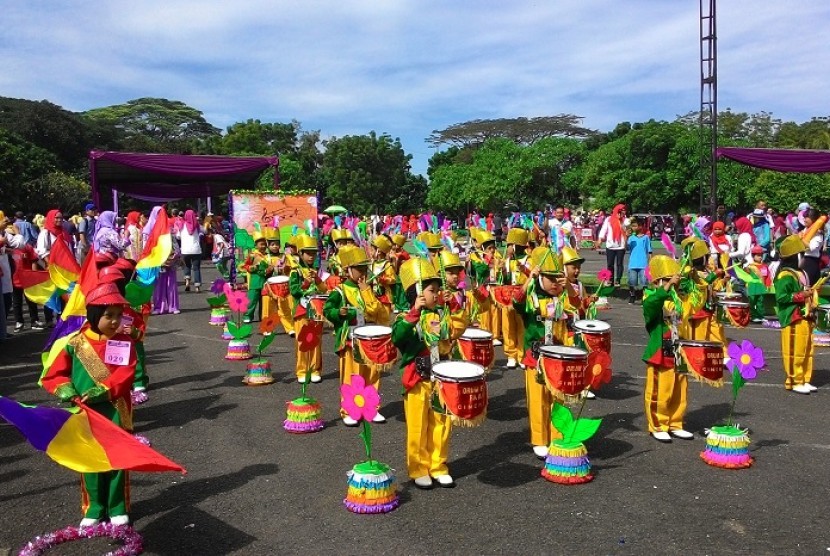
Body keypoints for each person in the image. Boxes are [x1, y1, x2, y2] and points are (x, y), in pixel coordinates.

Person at [40, 282, 137, 526]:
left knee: (118, 459)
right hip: (85, 412)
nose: (115, 321)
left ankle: (117, 506)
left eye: (118, 315)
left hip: (116, 410)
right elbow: (54, 375)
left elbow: (125, 374)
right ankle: (94, 506)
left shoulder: (125, 342)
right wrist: (67, 390)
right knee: (90, 459)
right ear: (94, 316)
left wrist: (100, 391)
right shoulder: (75, 343)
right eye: (108, 315)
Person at [391, 257, 455, 489]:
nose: (436, 294)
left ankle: (438, 465)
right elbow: (398, 337)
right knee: (418, 425)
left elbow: (457, 329)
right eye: (431, 290)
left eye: (438, 290)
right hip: (417, 380)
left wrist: (453, 306)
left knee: (441, 423)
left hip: (440, 378)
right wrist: (414, 314)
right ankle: (418, 467)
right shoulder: (404, 318)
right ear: (416, 294)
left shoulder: (441, 313)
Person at [512, 246, 569, 458]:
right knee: (538, 400)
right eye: (550, 278)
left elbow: (579, 305)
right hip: (535, 357)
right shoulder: (531, 298)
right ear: (540, 277)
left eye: (558, 278)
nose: (555, 283)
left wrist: (569, 286)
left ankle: (558, 436)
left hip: (558, 356)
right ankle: (539, 439)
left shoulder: (562, 297)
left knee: (558, 399)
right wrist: (529, 279)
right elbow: (516, 301)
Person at [323, 245, 390, 426]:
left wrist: (366, 290)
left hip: (370, 339)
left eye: (364, 268)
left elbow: (376, 311)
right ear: (347, 270)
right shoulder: (340, 291)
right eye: (358, 269)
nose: (362, 272)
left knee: (373, 373)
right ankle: (350, 410)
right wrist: (339, 313)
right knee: (352, 376)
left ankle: (372, 408)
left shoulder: (369, 289)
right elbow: (327, 310)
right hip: (350, 339)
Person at [641, 255, 692, 442]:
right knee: (659, 390)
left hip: (679, 349)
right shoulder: (650, 295)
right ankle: (658, 424)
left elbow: (696, 295)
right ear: (657, 282)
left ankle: (675, 422)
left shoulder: (679, 298)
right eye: (667, 279)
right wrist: (667, 287)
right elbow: (650, 307)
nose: (674, 284)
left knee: (680, 388)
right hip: (661, 350)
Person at [774, 236, 816, 394]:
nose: (804, 258)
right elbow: (782, 297)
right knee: (794, 351)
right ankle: (794, 380)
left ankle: (805, 378)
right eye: (802, 255)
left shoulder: (800, 272)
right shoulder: (785, 275)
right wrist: (802, 295)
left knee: (806, 350)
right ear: (794, 256)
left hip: (805, 316)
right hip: (793, 317)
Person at [289, 234, 327, 383]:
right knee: (302, 340)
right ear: (300, 253)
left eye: (314, 253)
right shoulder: (295, 271)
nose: (311, 256)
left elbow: (324, 289)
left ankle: (315, 369)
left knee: (316, 340)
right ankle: (302, 370)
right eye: (308, 253)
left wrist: (317, 280)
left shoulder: (318, 270)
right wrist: (305, 283)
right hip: (301, 310)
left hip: (317, 308)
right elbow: (294, 291)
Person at [500, 228, 530, 368]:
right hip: (508, 296)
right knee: (508, 326)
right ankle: (511, 354)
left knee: (522, 326)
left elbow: (532, 278)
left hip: (523, 296)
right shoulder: (507, 260)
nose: (510, 248)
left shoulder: (528, 260)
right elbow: (505, 279)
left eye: (512, 245)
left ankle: (522, 354)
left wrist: (524, 269)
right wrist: (503, 271)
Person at [595, 204, 628, 286]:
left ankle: (618, 280)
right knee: (610, 264)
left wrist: (621, 222)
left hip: (621, 246)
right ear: (617, 211)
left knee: (619, 264)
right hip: (610, 246)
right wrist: (600, 240)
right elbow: (603, 230)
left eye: (625, 210)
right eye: (622, 210)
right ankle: (610, 280)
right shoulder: (608, 219)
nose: (624, 211)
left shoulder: (625, 220)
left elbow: (627, 230)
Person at [241, 233, 269, 323]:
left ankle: (263, 316)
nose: (263, 246)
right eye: (261, 244)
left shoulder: (268, 256)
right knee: (252, 300)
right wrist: (252, 268)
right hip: (255, 282)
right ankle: (248, 316)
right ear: (256, 245)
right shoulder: (252, 255)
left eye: (265, 244)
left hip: (265, 282)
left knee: (264, 302)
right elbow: (245, 266)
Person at [626, 218, 652, 304]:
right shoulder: (631, 238)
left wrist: (650, 261)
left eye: (635, 226)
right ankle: (632, 295)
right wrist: (626, 237)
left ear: (640, 227)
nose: (633, 228)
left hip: (643, 264)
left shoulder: (646, 237)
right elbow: (627, 248)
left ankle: (644, 297)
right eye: (632, 226)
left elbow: (649, 250)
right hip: (633, 263)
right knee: (632, 281)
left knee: (644, 282)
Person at [178, 209, 202, 292]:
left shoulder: (181, 225)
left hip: (185, 250)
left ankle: (187, 282)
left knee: (186, 266)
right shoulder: (197, 225)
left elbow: (178, 236)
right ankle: (197, 286)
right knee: (196, 268)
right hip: (196, 250)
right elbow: (203, 232)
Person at [746, 245, 771, 323]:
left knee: (760, 302)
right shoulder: (750, 267)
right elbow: (745, 276)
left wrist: (768, 285)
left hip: (761, 286)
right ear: (753, 256)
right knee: (752, 301)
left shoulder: (764, 266)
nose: (760, 257)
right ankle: (753, 316)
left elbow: (767, 276)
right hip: (752, 286)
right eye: (758, 255)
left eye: (761, 255)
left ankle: (761, 316)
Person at [799, 208, 824, 286]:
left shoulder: (818, 236)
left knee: (808, 287)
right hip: (802, 261)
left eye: (807, 217)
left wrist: (800, 239)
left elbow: (811, 248)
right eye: (804, 217)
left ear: (813, 219)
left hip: (811, 263)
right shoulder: (805, 230)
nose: (804, 219)